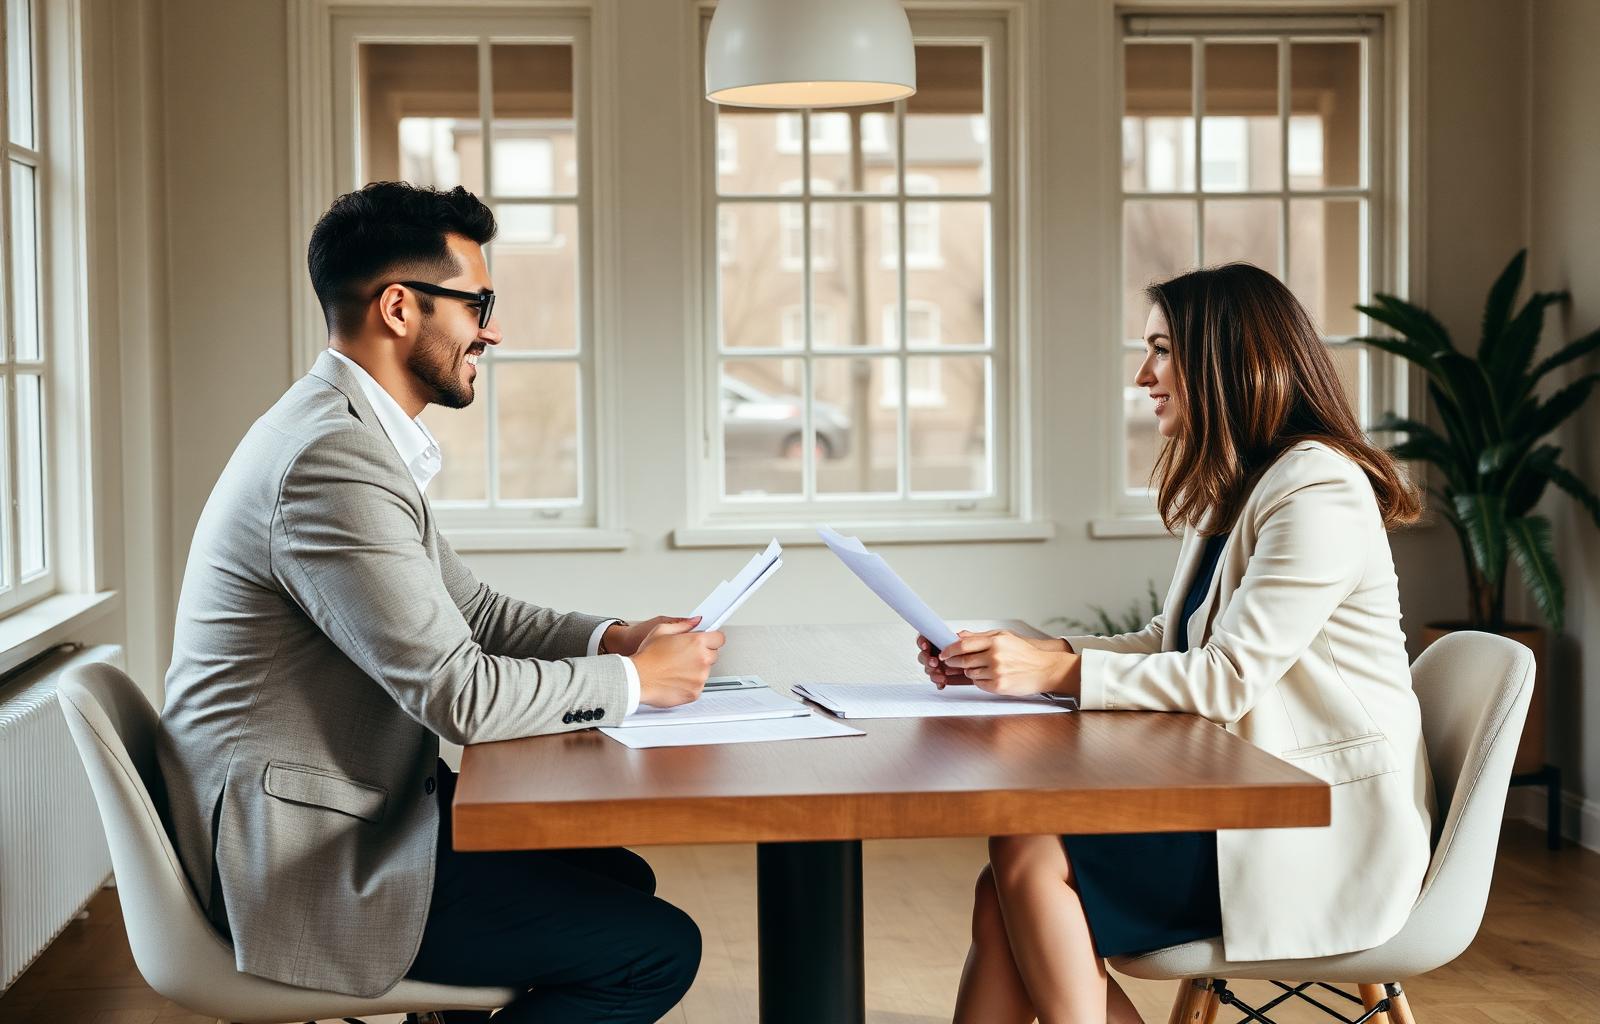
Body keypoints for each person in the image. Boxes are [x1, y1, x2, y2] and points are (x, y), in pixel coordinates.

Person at [157, 181, 718, 1024]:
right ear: (398, 307)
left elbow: (477, 613)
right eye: (478, 303)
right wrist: (638, 683)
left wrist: (617, 638)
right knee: (654, 950)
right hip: (295, 861)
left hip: (337, 808)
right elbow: (457, 694)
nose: (491, 330)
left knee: (615, 875)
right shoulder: (331, 461)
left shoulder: (346, 432)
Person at [918, 263, 1435, 1023]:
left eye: (1162, 350)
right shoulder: (1242, 480)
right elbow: (1168, 641)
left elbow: (1227, 678)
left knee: (1024, 850)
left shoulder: (1317, 487)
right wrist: (1019, 658)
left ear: (1230, 359)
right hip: (1243, 799)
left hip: (1312, 828)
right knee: (1005, 888)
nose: (1143, 375)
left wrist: (1049, 671)